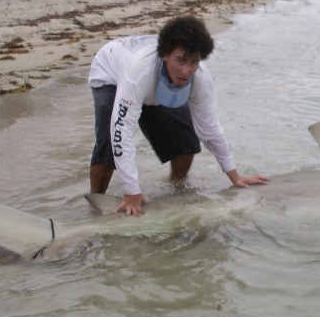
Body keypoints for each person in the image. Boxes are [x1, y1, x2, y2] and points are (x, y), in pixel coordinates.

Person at [88, 15, 269, 215]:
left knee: (186, 142)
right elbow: (121, 134)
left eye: (193, 62)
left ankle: (175, 194)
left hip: (156, 86)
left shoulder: (199, 77)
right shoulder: (139, 72)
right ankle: (95, 206)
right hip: (111, 74)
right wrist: (131, 191)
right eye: (180, 60)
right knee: (108, 145)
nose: (185, 71)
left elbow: (210, 129)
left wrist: (234, 176)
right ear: (165, 54)